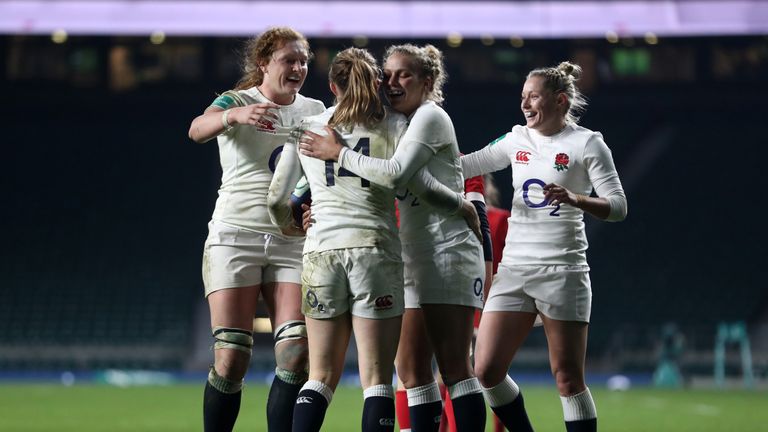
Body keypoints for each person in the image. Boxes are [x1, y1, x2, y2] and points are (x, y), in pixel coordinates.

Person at [267, 47, 476, 432]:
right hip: (374, 252)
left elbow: (277, 199)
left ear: (332, 86)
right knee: (377, 380)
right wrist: (460, 205)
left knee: (320, 375)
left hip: (321, 253)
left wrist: (293, 226)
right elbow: (419, 183)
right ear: (376, 82)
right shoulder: (396, 125)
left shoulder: (308, 127)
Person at [461, 61, 628, 432]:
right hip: (515, 270)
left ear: (560, 101)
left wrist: (576, 198)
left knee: (567, 378)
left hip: (563, 270)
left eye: (533, 97)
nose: (525, 104)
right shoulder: (516, 138)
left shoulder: (587, 143)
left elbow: (618, 206)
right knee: (485, 369)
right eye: (522, 97)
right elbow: (466, 164)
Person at [187, 27, 325, 432]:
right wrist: (233, 116)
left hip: (291, 241)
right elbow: (196, 128)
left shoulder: (315, 109)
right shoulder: (237, 100)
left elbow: (324, 169)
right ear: (263, 63)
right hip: (235, 237)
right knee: (230, 357)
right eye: (289, 60)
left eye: (303, 60)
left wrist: (320, 207)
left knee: (297, 352)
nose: (299, 67)